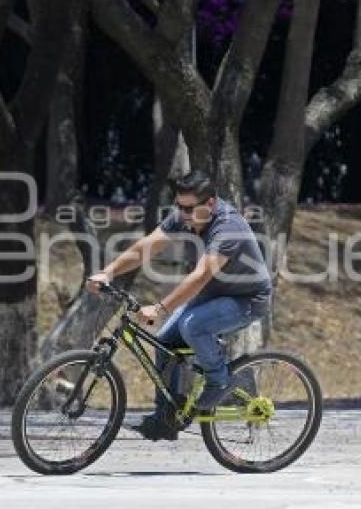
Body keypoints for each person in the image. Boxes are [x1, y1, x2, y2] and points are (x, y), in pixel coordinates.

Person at [86, 170, 272, 441]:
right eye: (178, 207)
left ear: (210, 204)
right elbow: (147, 247)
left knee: (192, 325)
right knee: (164, 341)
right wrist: (109, 272)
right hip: (215, 293)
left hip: (248, 299)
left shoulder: (228, 228)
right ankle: (166, 416)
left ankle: (220, 379)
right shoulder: (187, 212)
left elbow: (199, 277)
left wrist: (160, 308)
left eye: (188, 208)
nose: (182, 214)